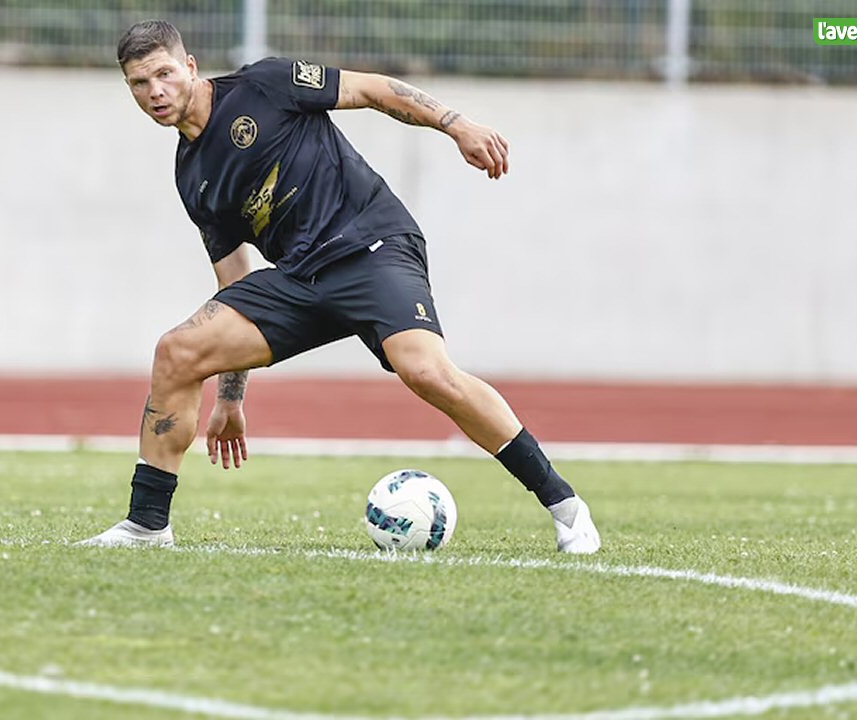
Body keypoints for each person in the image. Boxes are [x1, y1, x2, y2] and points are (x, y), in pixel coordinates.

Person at [78, 19, 600, 554]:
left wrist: (456, 125)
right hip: (301, 278)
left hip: (370, 245)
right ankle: (147, 525)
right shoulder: (193, 177)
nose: (155, 93)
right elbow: (234, 279)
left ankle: (567, 509)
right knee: (178, 353)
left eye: (163, 74)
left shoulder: (265, 84)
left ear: (189, 66)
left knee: (426, 371)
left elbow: (371, 89)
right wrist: (231, 396)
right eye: (139, 84)